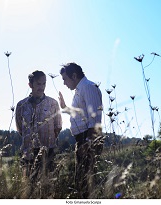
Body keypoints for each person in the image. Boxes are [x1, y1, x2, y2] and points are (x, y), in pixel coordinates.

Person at [58, 62, 103, 198]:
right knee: (81, 181)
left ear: (74, 75)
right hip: (82, 139)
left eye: (65, 79)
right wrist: (65, 107)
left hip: (87, 139)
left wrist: (88, 143)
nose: (64, 83)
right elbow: (80, 113)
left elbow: (95, 119)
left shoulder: (88, 87)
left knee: (86, 182)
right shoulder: (80, 89)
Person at [15, 70, 62, 179]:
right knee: (29, 185)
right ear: (30, 85)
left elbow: (58, 126)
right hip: (28, 152)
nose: (42, 87)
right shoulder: (21, 105)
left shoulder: (53, 103)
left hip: (48, 151)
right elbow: (20, 128)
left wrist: (48, 144)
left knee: (47, 185)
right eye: (38, 84)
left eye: (44, 83)